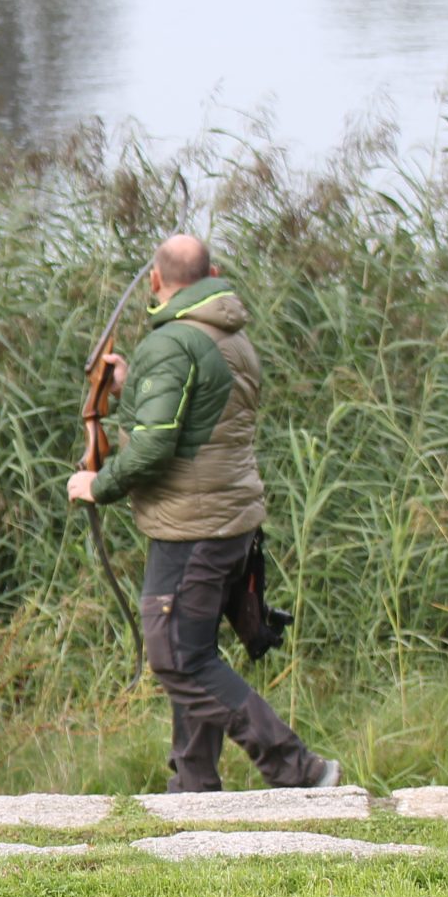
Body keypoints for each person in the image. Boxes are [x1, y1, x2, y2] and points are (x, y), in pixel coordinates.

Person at [67, 234, 340, 792]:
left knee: (176, 658)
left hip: (191, 528)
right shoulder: (230, 337)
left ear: (155, 282)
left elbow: (153, 447)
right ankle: (193, 789)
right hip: (230, 521)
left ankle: (299, 770)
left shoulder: (172, 344)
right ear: (212, 274)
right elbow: (200, 412)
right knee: (195, 648)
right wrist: (132, 385)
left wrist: (99, 485)